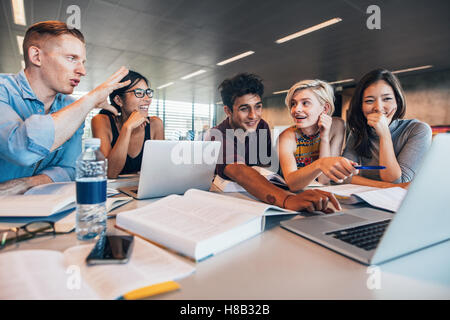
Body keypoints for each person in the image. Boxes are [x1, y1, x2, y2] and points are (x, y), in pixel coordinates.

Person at [0, 20, 130, 195]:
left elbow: (69, 168)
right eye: (71, 58)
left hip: (39, 208)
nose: (82, 71)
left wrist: (28, 183)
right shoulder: (3, 90)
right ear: (37, 56)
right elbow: (20, 148)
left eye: (83, 62)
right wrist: (90, 100)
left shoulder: (71, 106)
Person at [206, 73, 341, 213]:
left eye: (257, 107)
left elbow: (264, 168)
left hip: (255, 195)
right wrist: (287, 199)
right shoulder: (217, 135)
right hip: (227, 200)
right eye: (244, 109)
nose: (253, 115)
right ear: (228, 111)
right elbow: (240, 171)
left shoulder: (260, 126)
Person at [343, 68, 432, 188]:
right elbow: (344, 176)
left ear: (397, 101)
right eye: (369, 101)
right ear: (361, 106)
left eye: (387, 99)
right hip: (365, 200)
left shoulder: (418, 130)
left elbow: (396, 181)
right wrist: (383, 186)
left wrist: (384, 134)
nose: (378, 107)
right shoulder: (357, 133)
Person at [278, 80, 358, 192]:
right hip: (296, 194)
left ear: (325, 108)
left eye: (305, 103)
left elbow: (325, 180)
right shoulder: (287, 137)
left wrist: (324, 137)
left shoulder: (337, 126)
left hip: (322, 192)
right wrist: (320, 164)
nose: (296, 109)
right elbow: (293, 184)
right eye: (293, 103)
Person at [91, 71, 164, 178]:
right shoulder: (101, 121)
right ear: (118, 100)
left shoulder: (155, 124)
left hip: (141, 190)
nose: (147, 99)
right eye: (139, 93)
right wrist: (127, 128)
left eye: (148, 92)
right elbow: (109, 173)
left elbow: (160, 172)